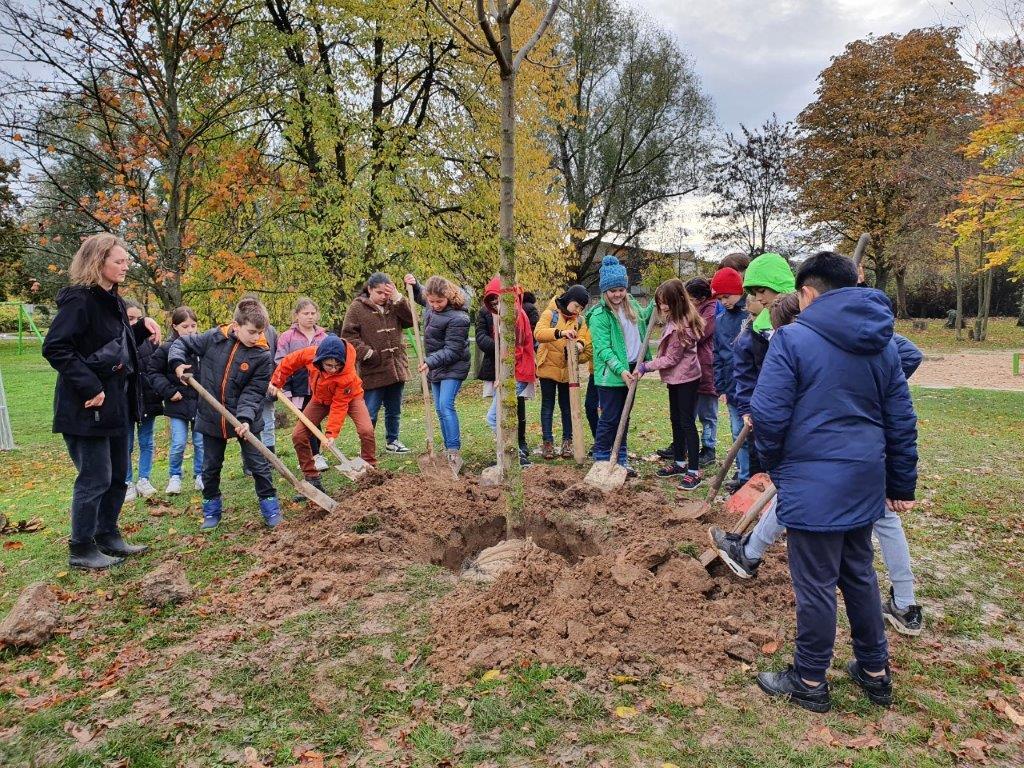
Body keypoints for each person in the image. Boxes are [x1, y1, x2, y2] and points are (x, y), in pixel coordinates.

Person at [749, 252, 918, 713]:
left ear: (807, 292)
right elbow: (900, 419)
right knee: (858, 574)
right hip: (863, 479)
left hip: (812, 481)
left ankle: (808, 679)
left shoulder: (792, 339)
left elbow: (767, 413)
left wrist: (776, 464)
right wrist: (900, 483)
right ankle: (874, 670)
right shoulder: (883, 343)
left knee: (817, 584)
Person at [710, 291, 926, 637]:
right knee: (866, 515)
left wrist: (871, 391)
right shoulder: (852, 337)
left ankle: (902, 604)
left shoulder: (857, 342)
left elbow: (911, 356)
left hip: (858, 449)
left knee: (875, 519)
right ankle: (905, 604)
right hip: (861, 447)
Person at [42, 233, 156, 569]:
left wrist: (141, 330)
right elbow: (56, 348)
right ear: (98, 262)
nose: (125, 267)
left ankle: (107, 535)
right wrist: (90, 386)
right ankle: (81, 548)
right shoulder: (79, 301)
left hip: (116, 406)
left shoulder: (116, 302)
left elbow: (110, 348)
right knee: (95, 477)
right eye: (118, 261)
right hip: (85, 406)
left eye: (126, 261)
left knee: (119, 474)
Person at [169, 297, 281, 529]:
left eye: (261, 332)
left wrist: (245, 419)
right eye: (251, 332)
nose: (256, 337)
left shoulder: (261, 354)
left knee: (258, 465)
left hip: (245, 418)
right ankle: (211, 511)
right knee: (210, 467)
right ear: (236, 326)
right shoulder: (214, 337)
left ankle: (270, 508)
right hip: (211, 416)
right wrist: (178, 363)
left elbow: (253, 392)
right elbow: (182, 343)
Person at [270, 334, 375, 491]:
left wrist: (331, 434)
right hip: (320, 399)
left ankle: (371, 472)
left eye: (337, 365)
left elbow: (339, 406)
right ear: (320, 360)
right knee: (298, 435)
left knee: (366, 430)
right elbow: (289, 362)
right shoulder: (310, 354)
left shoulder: (346, 374)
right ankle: (312, 478)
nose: (333, 369)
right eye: (329, 365)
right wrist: (276, 382)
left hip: (350, 397)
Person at [587, 255, 654, 474]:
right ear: (604, 291)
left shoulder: (632, 304)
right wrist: (621, 370)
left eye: (621, 289)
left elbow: (644, 318)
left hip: (633, 368)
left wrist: (657, 302)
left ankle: (621, 458)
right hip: (611, 374)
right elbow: (603, 349)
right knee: (610, 418)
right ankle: (602, 458)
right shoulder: (599, 315)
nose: (617, 295)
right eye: (612, 290)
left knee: (624, 417)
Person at [635, 279, 704, 489]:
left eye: (666, 302)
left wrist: (645, 366)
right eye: (659, 302)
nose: (662, 306)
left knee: (686, 422)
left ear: (677, 300)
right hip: (676, 377)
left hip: (686, 379)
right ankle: (679, 462)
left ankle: (694, 470)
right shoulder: (674, 319)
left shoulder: (681, 326)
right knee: (676, 419)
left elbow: (671, 359)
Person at [732, 253, 795, 480]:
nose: (759, 298)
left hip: (797, 414)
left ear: (778, 285)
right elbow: (745, 373)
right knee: (761, 461)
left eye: (762, 291)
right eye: (754, 293)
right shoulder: (755, 331)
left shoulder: (804, 323)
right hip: (765, 412)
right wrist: (748, 407)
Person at [406, 273, 471, 475]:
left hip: (453, 365)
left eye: (439, 301)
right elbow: (420, 296)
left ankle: (453, 451)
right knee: (439, 408)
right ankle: (445, 449)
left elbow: (453, 350)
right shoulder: (430, 302)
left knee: (445, 405)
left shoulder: (459, 317)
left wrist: (429, 361)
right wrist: (415, 285)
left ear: (449, 296)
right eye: (431, 301)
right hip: (435, 365)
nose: (434, 305)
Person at [342, 273, 413, 454]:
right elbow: (348, 336)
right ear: (369, 289)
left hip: (396, 367)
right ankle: (367, 446)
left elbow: (411, 320)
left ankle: (393, 440)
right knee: (370, 411)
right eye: (379, 292)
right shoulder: (357, 308)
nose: (383, 296)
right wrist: (368, 353)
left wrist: (398, 298)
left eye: (386, 293)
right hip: (373, 369)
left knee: (394, 409)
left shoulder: (394, 305)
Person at [479, 277, 537, 466]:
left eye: (499, 300)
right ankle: (513, 454)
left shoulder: (516, 318)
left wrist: (504, 378)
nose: (496, 304)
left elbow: (515, 352)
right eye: (493, 301)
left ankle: (515, 454)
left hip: (517, 372)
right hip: (512, 372)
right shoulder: (506, 317)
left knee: (494, 417)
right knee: (503, 415)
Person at [147, 306, 205, 495]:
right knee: (179, 442)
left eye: (193, 326)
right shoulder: (166, 349)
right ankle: (175, 477)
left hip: (199, 404)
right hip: (177, 403)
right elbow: (153, 372)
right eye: (185, 326)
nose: (190, 330)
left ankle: (200, 475)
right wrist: (168, 391)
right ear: (175, 327)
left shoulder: (201, 348)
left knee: (200, 442)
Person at [533, 284, 591, 459]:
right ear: (569, 299)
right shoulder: (550, 314)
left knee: (567, 407)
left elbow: (584, 338)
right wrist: (560, 333)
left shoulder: (580, 320)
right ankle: (548, 443)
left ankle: (567, 442)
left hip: (568, 371)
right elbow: (539, 333)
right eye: (576, 305)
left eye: (581, 308)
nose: (577, 310)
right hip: (547, 367)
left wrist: (579, 346)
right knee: (547, 406)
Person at [710, 267, 750, 493]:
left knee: (754, 437)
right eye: (720, 298)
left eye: (727, 296)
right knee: (737, 433)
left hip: (750, 386)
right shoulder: (720, 320)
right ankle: (743, 476)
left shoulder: (750, 316)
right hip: (732, 387)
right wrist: (721, 386)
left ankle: (755, 476)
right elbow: (718, 355)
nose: (724, 301)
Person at [275, 298, 328, 467]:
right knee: (305, 419)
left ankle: (316, 454)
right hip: (298, 386)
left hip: (319, 386)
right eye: (305, 313)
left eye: (313, 313)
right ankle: (313, 455)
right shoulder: (287, 337)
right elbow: (280, 360)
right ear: (297, 315)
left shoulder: (323, 336)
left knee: (315, 419)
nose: (310, 317)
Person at [123, 299, 162, 502]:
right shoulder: (118, 344)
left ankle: (144, 478)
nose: (135, 322)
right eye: (130, 318)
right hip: (126, 400)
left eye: (138, 318)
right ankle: (127, 481)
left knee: (147, 440)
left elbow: (156, 368)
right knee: (126, 443)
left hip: (148, 398)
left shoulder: (150, 342)